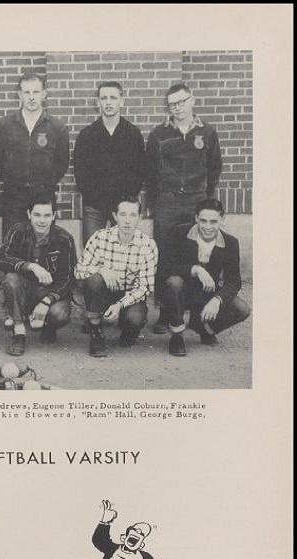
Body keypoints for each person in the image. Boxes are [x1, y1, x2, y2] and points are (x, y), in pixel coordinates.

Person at [146, 82, 222, 333]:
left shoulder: (207, 132)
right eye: (172, 104)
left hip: (194, 202)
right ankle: (166, 311)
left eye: (181, 101)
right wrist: (155, 204)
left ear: (192, 100)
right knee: (165, 256)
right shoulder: (159, 134)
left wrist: (205, 201)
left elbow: (214, 169)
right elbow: (151, 173)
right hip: (167, 203)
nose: (177, 108)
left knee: (194, 254)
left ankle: (195, 310)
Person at [164, 198, 250, 357]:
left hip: (208, 293)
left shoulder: (231, 242)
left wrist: (218, 300)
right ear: (196, 218)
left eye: (213, 221)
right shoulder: (179, 233)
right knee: (173, 282)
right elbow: (165, 268)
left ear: (222, 220)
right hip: (183, 292)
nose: (208, 227)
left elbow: (234, 280)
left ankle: (204, 328)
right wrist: (195, 269)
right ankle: (177, 335)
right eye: (203, 221)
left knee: (242, 309)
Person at [74, 196, 158, 358]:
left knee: (135, 319)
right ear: (114, 216)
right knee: (95, 279)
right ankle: (96, 332)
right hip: (103, 294)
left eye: (133, 215)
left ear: (140, 217)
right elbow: (79, 271)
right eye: (123, 214)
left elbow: (145, 287)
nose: (127, 221)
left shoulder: (147, 245)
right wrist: (101, 269)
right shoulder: (100, 238)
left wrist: (119, 305)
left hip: (128, 297)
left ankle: (127, 330)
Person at [0, 71, 70, 236]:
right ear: (19, 95)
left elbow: (62, 163)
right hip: (13, 198)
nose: (32, 97)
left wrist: (44, 184)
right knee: (12, 244)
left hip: (43, 199)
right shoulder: (5, 126)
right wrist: (13, 181)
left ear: (44, 94)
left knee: (43, 244)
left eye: (36, 92)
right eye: (27, 92)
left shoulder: (57, 127)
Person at [0, 195, 76, 356]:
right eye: (37, 215)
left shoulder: (64, 239)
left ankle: (48, 325)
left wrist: (47, 302)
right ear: (29, 214)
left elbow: (68, 279)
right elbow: (1, 258)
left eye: (47, 215)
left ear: (54, 216)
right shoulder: (17, 231)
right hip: (25, 291)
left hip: (49, 293)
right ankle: (19, 331)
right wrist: (31, 266)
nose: (42, 220)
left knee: (59, 314)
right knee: (11, 279)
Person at [74, 81, 145, 244]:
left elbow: (140, 170)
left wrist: (127, 199)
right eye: (103, 98)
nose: (108, 102)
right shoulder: (87, 134)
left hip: (124, 207)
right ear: (97, 102)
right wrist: (94, 197)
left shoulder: (133, 134)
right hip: (94, 206)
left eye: (113, 98)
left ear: (122, 101)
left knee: (125, 251)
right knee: (92, 250)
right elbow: (81, 172)